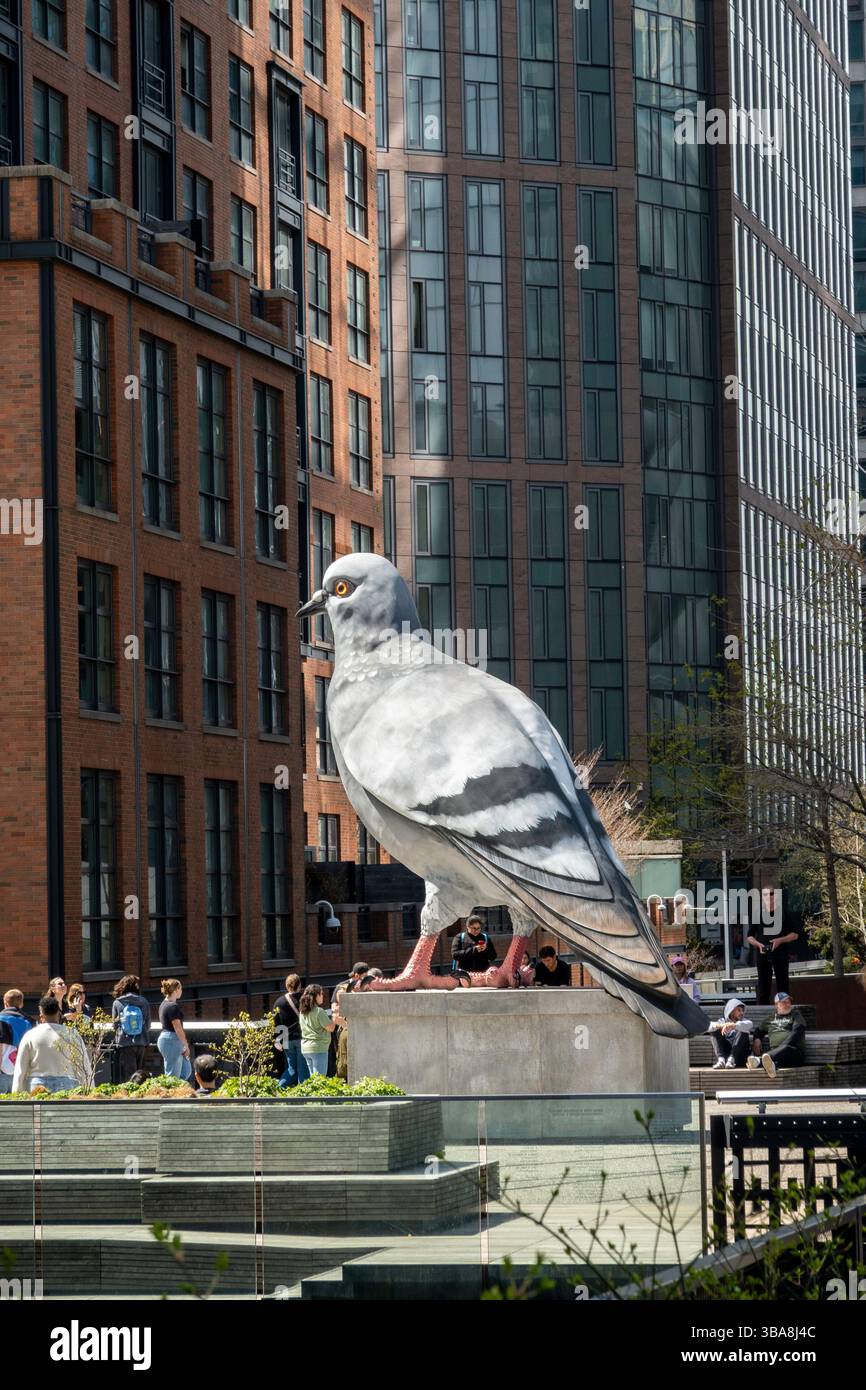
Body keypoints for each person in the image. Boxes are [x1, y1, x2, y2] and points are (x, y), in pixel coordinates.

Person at [11, 995, 88, 1093]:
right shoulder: (72, 1034)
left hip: (37, 1086)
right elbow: (83, 1065)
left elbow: (20, 1070)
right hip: (67, 1084)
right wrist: (89, 1089)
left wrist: (16, 1093)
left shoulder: (30, 1035)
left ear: (41, 1015)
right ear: (59, 1013)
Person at [748, 993, 806, 1077]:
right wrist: (757, 1039)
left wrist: (781, 1048)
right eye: (784, 1002)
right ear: (776, 1005)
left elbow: (797, 1031)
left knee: (786, 1048)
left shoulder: (796, 1015)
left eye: (789, 1002)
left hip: (794, 1053)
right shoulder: (771, 1019)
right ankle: (772, 1066)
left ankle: (758, 1061)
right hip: (776, 1055)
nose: (788, 1004)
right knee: (771, 1061)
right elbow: (758, 1030)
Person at [746, 919, 799, 1005]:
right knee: (763, 988)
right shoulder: (759, 914)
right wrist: (758, 945)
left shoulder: (782, 913)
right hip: (762, 953)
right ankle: (763, 1013)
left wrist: (780, 940)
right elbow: (749, 937)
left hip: (780, 953)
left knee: (783, 986)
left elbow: (795, 935)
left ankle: (784, 1012)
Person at [111, 975, 152, 1082]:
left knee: (129, 1075)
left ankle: (129, 1097)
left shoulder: (117, 1002)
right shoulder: (143, 1001)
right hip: (141, 1042)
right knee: (140, 1075)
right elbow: (147, 1025)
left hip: (125, 1043)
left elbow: (115, 1025)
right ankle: (140, 1096)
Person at [275, 973, 306, 1088]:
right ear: (300, 985)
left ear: (287, 986)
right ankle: (303, 1096)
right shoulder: (304, 999)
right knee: (303, 1069)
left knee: (292, 1069)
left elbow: (277, 1023)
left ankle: (279, 1089)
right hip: (302, 1037)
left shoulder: (279, 1002)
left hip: (287, 1039)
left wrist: (278, 1040)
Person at [157, 979, 192, 1081]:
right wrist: (186, 1046)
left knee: (186, 1071)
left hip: (169, 1040)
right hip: (172, 1040)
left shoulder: (163, 1004)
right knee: (172, 1076)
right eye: (180, 988)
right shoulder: (173, 1007)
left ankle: (178, 1092)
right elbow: (178, 1028)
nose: (181, 991)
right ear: (176, 990)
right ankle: (170, 1095)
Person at [298, 984, 336, 1076]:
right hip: (318, 1048)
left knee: (313, 1078)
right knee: (320, 1080)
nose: (323, 996)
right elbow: (330, 1028)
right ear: (316, 996)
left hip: (306, 1048)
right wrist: (334, 1018)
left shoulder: (302, 1012)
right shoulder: (319, 1011)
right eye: (321, 994)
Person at [0, 989, 33, 1094]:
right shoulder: (30, 1022)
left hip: (3, 1073)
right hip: (23, 1074)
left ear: (5, 1003)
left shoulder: (0, 1020)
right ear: (22, 1004)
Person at [708, 998, 755, 1069]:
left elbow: (750, 1024)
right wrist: (721, 1026)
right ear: (732, 1011)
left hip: (740, 1056)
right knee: (714, 1030)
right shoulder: (722, 1021)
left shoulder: (744, 1021)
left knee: (744, 1030)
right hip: (726, 1055)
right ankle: (721, 1061)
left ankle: (731, 1059)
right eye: (739, 1010)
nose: (742, 1013)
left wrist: (733, 1025)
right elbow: (708, 1027)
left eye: (742, 1011)